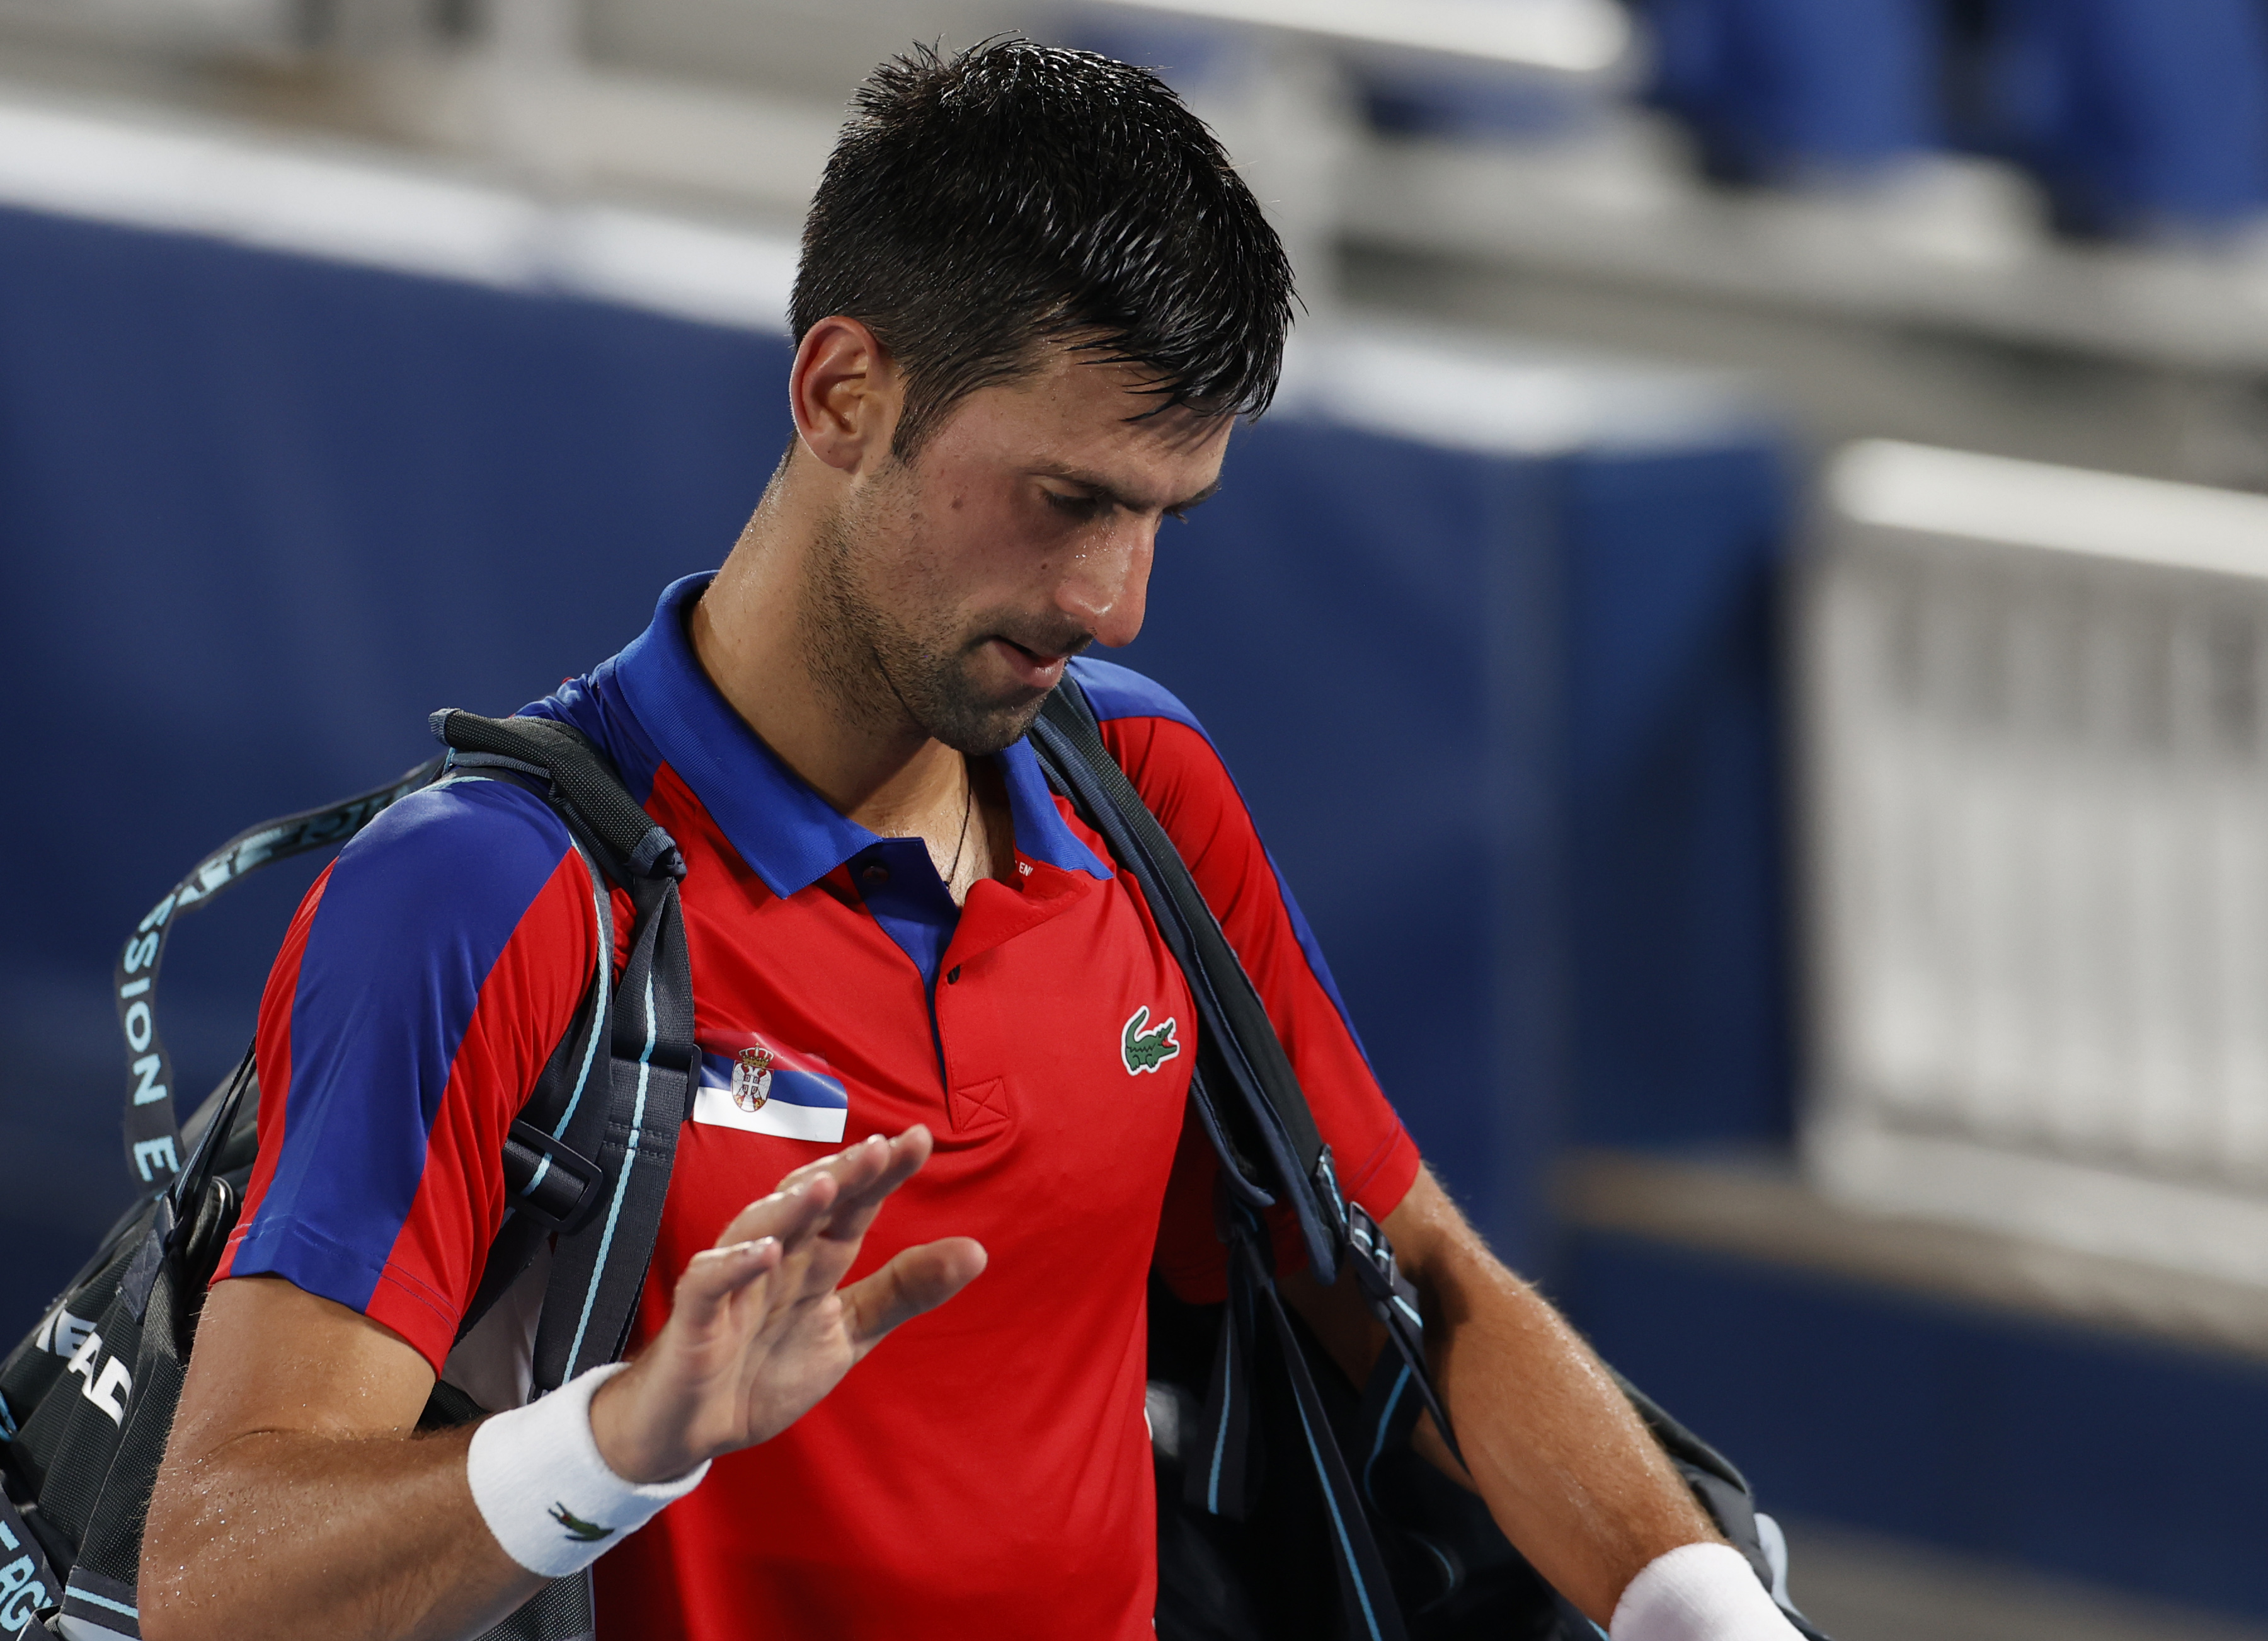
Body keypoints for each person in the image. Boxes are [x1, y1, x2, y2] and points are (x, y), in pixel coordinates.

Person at [141, 37, 1798, 1641]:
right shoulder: (480, 898)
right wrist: (615, 1440)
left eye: (1163, 515)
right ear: (846, 393)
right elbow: (220, 1581)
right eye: (1069, 498)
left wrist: (1709, 1608)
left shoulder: (1140, 783)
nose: (1113, 599)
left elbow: (1405, 1284)